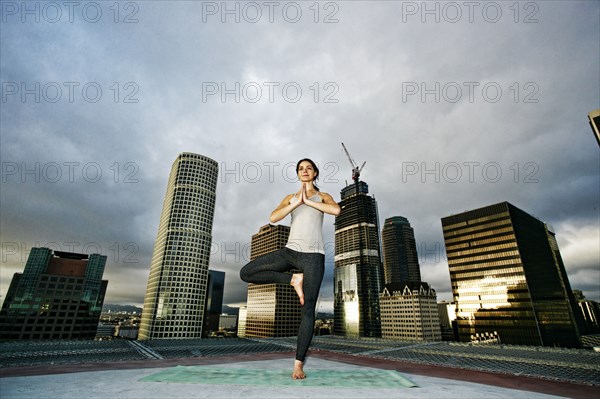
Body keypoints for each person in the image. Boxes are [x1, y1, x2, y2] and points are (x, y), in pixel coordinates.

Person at [240, 158, 341, 380]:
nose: (305, 171)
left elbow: (336, 210)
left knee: (308, 309)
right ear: (298, 174)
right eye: (300, 169)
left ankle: (298, 364)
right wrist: (297, 202)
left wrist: (309, 201)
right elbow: (273, 217)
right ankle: (293, 280)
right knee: (246, 273)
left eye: (309, 168)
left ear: (315, 173)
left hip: (313, 256)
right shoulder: (289, 198)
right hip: (289, 251)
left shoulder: (322, 196)